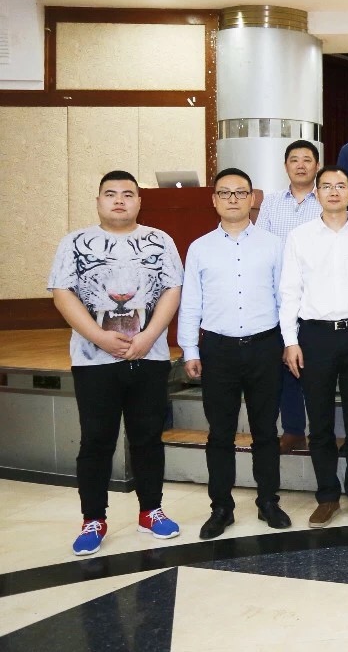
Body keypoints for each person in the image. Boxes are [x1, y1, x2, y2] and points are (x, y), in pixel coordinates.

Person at [50, 171, 184, 557]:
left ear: (140, 201)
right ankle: (93, 518)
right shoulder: (74, 242)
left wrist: (148, 336)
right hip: (93, 360)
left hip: (149, 355)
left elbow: (173, 290)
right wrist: (99, 337)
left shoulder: (161, 240)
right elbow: (62, 293)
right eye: (111, 194)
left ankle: (151, 510)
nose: (120, 200)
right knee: (96, 440)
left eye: (128, 194)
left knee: (147, 436)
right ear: (98, 201)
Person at [179, 168, 291, 540]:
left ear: (252, 199)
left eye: (240, 192)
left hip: (265, 347)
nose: (232, 199)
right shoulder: (200, 248)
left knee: (266, 432)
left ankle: (268, 502)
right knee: (220, 434)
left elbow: (284, 298)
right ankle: (221, 508)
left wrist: (288, 342)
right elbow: (191, 302)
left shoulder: (273, 244)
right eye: (225, 192)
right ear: (214, 200)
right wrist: (189, 349)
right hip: (218, 350)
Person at [279, 166, 348, 529]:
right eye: (327, 186)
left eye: (341, 186)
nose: (334, 191)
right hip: (315, 337)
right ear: (317, 193)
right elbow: (289, 292)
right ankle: (327, 496)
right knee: (320, 421)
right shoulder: (299, 237)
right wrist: (290, 341)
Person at [258, 139, 321, 454]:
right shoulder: (271, 203)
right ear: (285, 166)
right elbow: (261, 246)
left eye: (307, 159)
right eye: (294, 159)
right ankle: (294, 429)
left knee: (315, 364)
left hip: (317, 296)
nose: (300, 165)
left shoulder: (325, 200)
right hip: (279, 294)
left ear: (317, 166)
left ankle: (320, 429)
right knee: (285, 363)